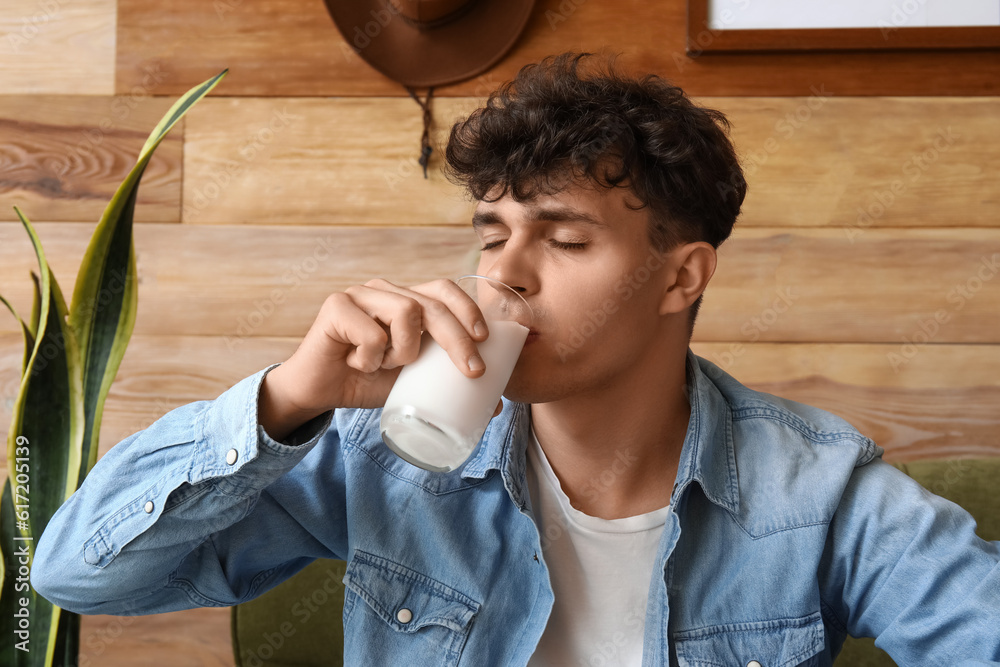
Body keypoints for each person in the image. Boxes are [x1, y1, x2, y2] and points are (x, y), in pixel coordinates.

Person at [32, 52, 1000, 666]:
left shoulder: (818, 493)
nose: (506, 276)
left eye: (564, 240)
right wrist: (292, 398)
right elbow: (77, 573)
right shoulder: (382, 455)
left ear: (681, 276)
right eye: (493, 234)